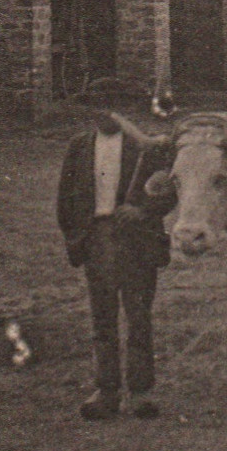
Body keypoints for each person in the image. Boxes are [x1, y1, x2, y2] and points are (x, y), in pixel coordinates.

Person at [56, 111, 177, 420]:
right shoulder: (80, 146)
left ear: (124, 110)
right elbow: (65, 199)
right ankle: (106, 391)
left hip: (136, 240)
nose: (105, 114)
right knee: (103, 317)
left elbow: (170, 192)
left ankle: (140, 392)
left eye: (113, 107)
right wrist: (79, 238)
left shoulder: (145, 148)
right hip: (97, 239)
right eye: (97, 107)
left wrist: (143, 212)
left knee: (138, 316)